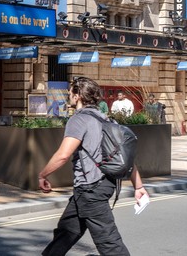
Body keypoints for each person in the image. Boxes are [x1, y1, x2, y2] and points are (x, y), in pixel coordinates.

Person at [38, 76, 146, 256]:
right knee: (67, 230)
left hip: (91, 190)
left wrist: (43, 175)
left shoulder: (78, 119)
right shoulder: (107, 120)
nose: (69, 95)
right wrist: (139, 186)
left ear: (78, 95)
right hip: (100, 185)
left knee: (110, 243)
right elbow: (125, 157)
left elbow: (63, 155)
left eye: (70, 92)